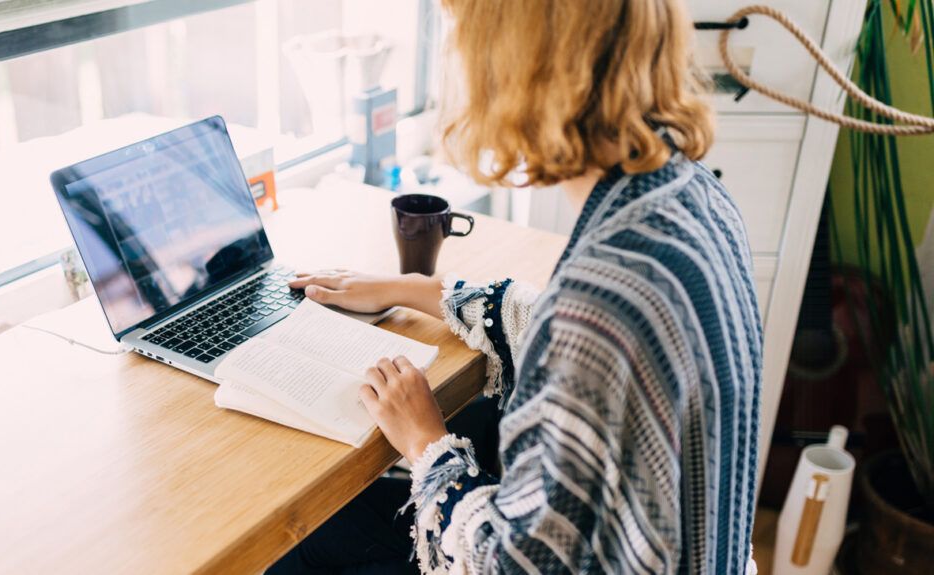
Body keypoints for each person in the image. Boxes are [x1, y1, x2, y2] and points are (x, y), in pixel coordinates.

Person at [268, 0, 762, 573]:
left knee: (304, 546)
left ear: (515, 66)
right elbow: (572, 333)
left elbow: (513, 564)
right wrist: (410, 288)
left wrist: (426, 441)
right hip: (699, 548)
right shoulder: (688, 194)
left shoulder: (603, 295)